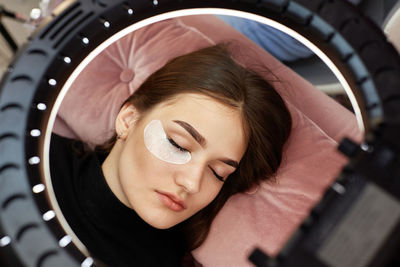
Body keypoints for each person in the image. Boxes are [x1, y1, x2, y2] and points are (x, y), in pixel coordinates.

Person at [50, 44, 292, 266]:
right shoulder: (33, 158)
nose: (191, 183)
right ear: (128, 120)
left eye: (218, 173)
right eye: (178, 145)